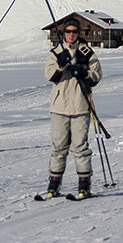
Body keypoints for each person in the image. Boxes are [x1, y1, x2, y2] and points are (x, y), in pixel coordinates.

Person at [44, 19, 102, 199]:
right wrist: (61, 66)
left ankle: (84, 186)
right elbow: (50, 76)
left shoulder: (87, 52)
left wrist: (84, 72)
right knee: (58, 148)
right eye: (68, 32)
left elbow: (97, 75)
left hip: (81, 106)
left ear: (79, 33)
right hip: (59, 107)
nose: (71, 35)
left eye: (74, 32)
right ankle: (53, 186)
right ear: (63, 34)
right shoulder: (55, 53)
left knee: (80, 147)